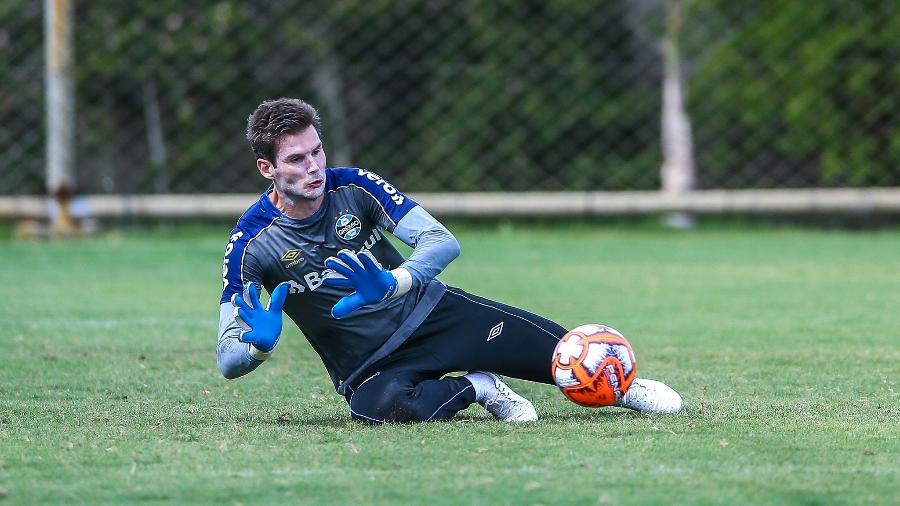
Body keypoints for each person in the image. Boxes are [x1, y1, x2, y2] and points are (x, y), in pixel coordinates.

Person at [217, 98, 682, 424]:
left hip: (435, 316)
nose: (314, 166)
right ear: (268, 169)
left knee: (566, 358)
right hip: (370, 365)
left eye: (317, 151)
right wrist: (256, 348)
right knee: (377, 412)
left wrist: (395, 282)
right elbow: (227, 359)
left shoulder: (354, 186)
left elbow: (441, 241)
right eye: (296, 159)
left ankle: (622, 389)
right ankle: (479, 387)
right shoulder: (250, 243)